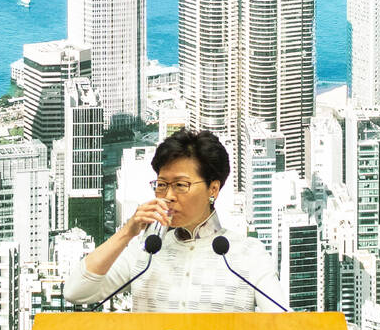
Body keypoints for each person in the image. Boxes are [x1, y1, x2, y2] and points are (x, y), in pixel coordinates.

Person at [64, 128, 287, 312]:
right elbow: (75, 292)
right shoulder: (145, 251)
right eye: (161, 185)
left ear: (213, 188)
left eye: (181, 185)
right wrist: (127, 232)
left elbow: (284, 323)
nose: (168, 196)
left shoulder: (248, 254)